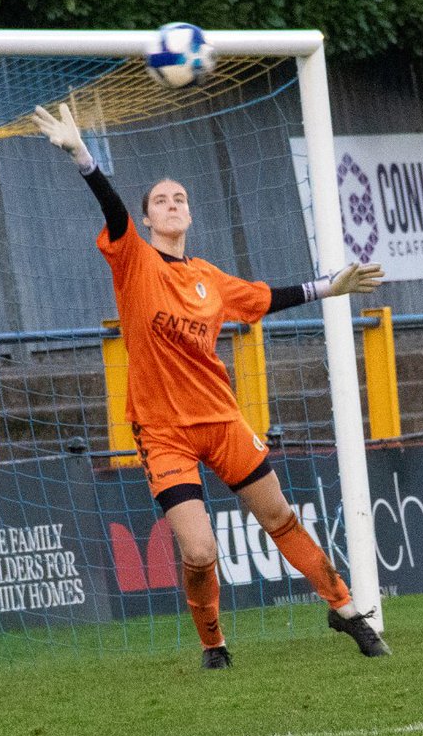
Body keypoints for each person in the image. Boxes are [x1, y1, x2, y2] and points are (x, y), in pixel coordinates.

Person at [32, 103, 390, 667]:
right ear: (147, 220)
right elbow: (112, 208)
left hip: (222, 421)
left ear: (190, 215)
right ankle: (213, 645)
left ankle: (344, 609)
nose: (171, 205)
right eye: (160, 201)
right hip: (164, 431)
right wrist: (82, 155)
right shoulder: (134, 261)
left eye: (179, 199)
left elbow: (268, 297)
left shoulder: (210, 280)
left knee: (280, 518)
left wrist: (332, 286)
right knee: (199, 551)